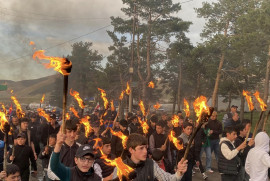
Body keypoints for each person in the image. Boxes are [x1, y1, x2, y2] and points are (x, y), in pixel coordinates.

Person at [114, 133, 187, 180]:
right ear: (131, 150)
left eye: (146, 147)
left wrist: (179, 172)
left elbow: (168, 179)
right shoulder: (120, 167)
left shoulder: (151, 164)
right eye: (141, 148)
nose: (145, 151)